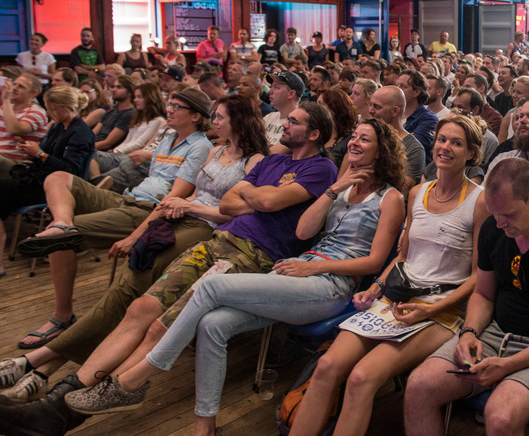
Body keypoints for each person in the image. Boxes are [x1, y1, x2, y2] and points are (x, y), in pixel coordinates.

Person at [0, 104, 335, 436]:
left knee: (161, 327)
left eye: (293, 122)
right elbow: (229, 204)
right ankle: (58, 399)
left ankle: (58, 413)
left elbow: (267, 203)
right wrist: (256, 194)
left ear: (314, 133)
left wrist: (257, 194)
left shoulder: (321, 169)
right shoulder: (274, 161)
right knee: (140, 308)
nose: (284, 125)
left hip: (253, 256)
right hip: (219, 239)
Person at [63, 119, 409, 436]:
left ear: (382, 151)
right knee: (212, 324)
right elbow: (305, 231)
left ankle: (132, 381)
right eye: (354, 137)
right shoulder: (342, 188)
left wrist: (315, 267)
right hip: (299, 268)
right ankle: (206, 427)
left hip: (330, 284)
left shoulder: (390, 198)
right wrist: (333, 191)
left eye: (366, 139)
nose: (355, 143)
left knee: (211, 285)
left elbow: (375, 261)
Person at [287, 114, 488, 436]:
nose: (445, 147)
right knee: (326, 366)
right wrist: (377, 286)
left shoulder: (480, 201)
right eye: (441, 139)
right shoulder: (417, 193)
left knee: (362, 376)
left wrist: (432, 308)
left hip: (442, 309)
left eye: (456, 142)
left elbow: (480, 276)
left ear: (471, 153)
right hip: (398, 298)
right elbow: (404, 256)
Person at [406, 158, 529, 436]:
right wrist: (469, 333)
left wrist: (507, 365)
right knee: (419, 386)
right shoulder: (494, 229)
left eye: (509, 215)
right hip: (497, 334)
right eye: (494, 214)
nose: (500, 223)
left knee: (501, 417)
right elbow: (483, 294)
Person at [14, 88, 215, 348]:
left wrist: (135, 236)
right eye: (171, 104)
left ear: (196, 116)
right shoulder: (168, 137)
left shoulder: (200, 147)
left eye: (177, 106)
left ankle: (62, 316)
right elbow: (150, 176)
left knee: (59, 238)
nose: (170, 109)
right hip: (128, 197)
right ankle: (63, 224)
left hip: (146, 209)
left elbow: (171, 200)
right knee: (58, 178)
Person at [0, 87, 94, 278]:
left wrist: (40, 154)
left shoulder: (80, 133)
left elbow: (71, 171)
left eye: (51, 109)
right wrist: (33, 152)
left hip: (55, 187)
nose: (49, 113)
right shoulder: (60, 127)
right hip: (38, 178)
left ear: (64, 108)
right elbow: (44, 155)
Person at [89, 83, 166, 181]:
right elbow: (127, 140)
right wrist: (115, 151)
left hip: (127, 156)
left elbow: (139, 144)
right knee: (87, 155)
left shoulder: (157, 120)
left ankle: (95, 183)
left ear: (150, 98)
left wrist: (117, 151)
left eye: (139, 97)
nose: (135, 100)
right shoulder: (137, 118)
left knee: (91, 155)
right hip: (119, 154)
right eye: (135, 97)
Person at [368, 86, 426, 185]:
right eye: (370, 105)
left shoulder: (414, 149)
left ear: (395, 111)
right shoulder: (364, 137)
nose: (371, 110)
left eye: (377, 107)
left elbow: (401, 189)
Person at [0, 73, 49, 179]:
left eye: (21, 86)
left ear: (33, 93)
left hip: (18, 164)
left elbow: (14, 130)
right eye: (15, 84)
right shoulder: (4, 108)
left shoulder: (37, 112)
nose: (15, 88)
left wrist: (6, 100)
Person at [399, 70, 439, 160]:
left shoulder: (429, 119)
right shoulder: (394, 112)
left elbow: (410, 148)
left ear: (416, 92)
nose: (398, 90)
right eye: (398, 85)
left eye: (403, 86)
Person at [92, 76, 136, 152]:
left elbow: (108, 143)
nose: (114, 90)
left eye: (119, 87)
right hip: (93, 146)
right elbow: (92, 134)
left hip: (104, 152)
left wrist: (84, 147)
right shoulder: (109, 113)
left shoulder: (129, 114)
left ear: (129, 92)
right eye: (114, 87)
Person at [319, 87, 358, 170]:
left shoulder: (350, 140)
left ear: (334, 108)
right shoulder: (316, 134)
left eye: (320, 104)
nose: (316, 108)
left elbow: (342, 179)